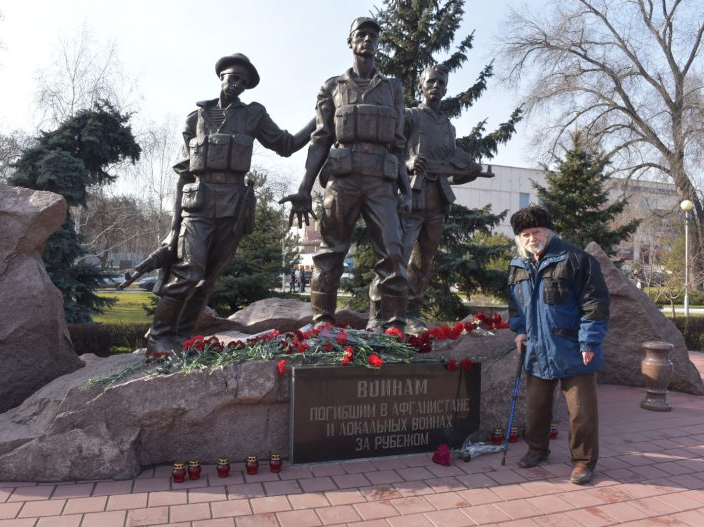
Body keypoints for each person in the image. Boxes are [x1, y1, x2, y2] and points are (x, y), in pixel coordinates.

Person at [146, 53, 314, 353]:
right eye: (233, 77)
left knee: (207, 279)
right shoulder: (195, 119)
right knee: (190, 272)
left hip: (233, 208)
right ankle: (158, 336)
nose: (237, 84)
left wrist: (320, 119)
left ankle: (182, 338)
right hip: (196, 206)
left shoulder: (253, 115)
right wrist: (173, 229)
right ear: (221, 77)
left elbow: (286, 145)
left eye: (243, 81)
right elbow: (184, 174)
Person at [282, 17, 412, 330]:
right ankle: (322, 323)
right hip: (343, 179)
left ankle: (392, 325)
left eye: (373, 35)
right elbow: (321, 139)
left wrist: (406, 189)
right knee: (330, 252)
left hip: (381, 180)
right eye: (361, 35)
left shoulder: (393, 88)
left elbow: (398, 143)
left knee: (393, 251)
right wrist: (304, 187)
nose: (367, 39)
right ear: (350, 42)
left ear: (378, 43)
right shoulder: (332, 87)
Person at [367, 64, 493, 330]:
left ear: (446, 88)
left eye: (441, 83)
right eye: (432, 81)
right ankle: (377, 316)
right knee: (394, 257)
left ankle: (410, 313)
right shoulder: (410, 116)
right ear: (421, 85)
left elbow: (451, 170)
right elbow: (388, 149)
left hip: (438, 203)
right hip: (411, 199)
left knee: (423, 262)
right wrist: (409, 163)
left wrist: (468, 171)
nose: (436, 86)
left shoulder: (448, 127)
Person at [506, 205, 610, 485]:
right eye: (525, 234)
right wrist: (519, 331)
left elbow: (595, 304)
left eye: (536, 231)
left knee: (581, 412)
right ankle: (537, 450)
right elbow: (515, 306)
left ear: (548, 231)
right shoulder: (518, 266)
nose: (531, 238)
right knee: (536, 407)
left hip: (574, 349)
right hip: (537, 350)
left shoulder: (577, 260)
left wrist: (589, 341)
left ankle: (583, 462)